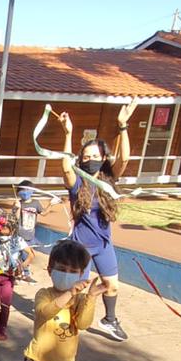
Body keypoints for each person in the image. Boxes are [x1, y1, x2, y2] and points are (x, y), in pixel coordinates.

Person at [55, 99, 138, 342]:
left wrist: (123, 126)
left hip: (103, 245)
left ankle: (109, 320)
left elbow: (125, 159)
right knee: (77, 292)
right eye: (86, 155)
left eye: (95, 155)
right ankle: (69, 323)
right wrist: (68, 133)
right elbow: (65, 167)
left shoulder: (108, 181)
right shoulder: (77, 183)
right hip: (80, 247)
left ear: (103, 158)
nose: (90, 158)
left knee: (111, 286)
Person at [14, 180, 48, 283]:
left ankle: (22, 274)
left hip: (30, 235)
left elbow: (44, 213)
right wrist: (17, 208)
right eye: (22, 190)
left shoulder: (36, 203)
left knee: (27, 256)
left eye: (27, 189)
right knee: (20, 255)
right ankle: (21, 274)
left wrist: (51, 204)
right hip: (19, 235)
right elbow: (15, 219)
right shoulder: (18, 203)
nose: (24, 192)